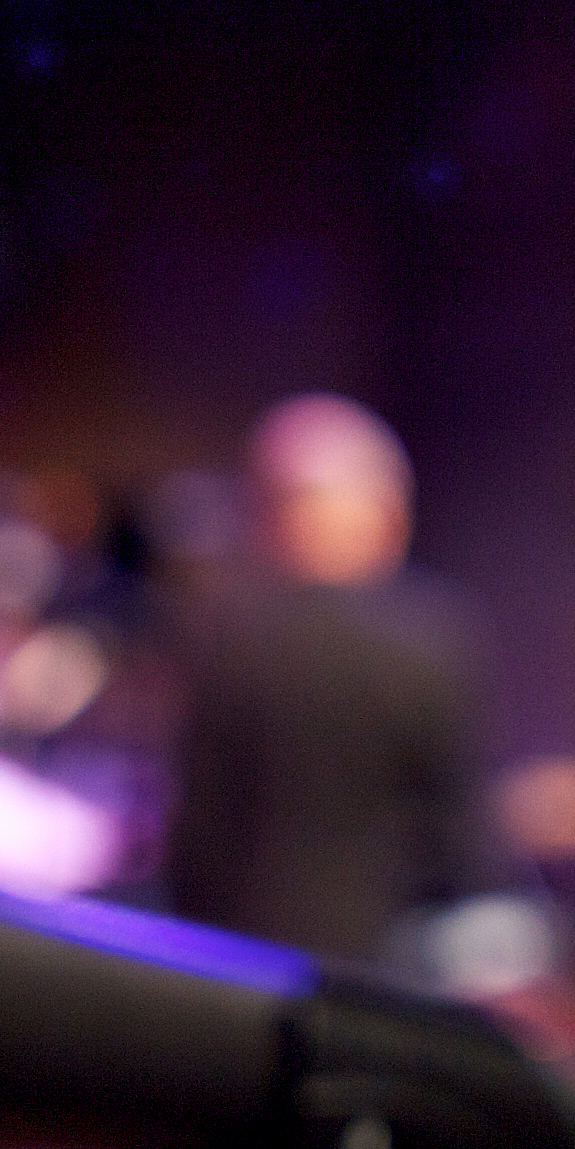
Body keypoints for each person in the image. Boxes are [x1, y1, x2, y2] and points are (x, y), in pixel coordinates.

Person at [162, 395, 507, 965]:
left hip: (246, 971)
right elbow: (458, 841)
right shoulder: (433, 637)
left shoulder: (225, 640)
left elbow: (199, 840)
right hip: (391, 975)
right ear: (385, 512)